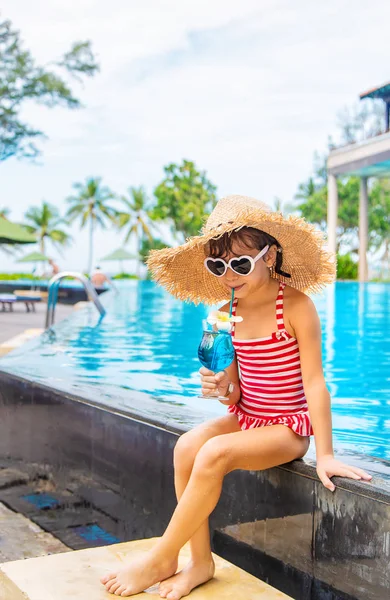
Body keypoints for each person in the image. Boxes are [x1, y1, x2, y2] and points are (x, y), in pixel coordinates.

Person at [101, 195, 372, 598]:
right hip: (247, 416)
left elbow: (315, 382)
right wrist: (220, 387)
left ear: (270, 255)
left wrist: (326, 453)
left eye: (241, 263)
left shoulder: (295, 306)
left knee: (213, 454)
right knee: (187, 447)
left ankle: (163, 556)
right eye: (218, 265)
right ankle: (200, 561)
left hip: (286, 427)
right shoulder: (224, 311)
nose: (229, 275)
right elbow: (234, 391)